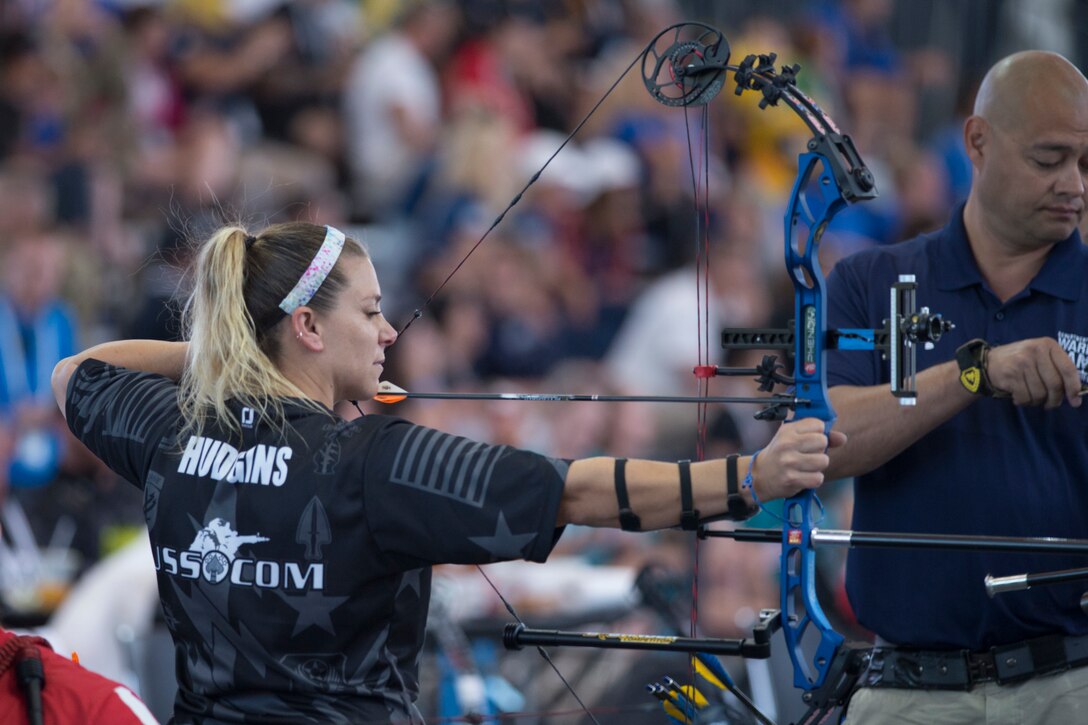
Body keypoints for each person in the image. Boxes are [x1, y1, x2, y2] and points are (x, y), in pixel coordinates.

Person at [50, 221, 844, 723]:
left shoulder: (172, 430)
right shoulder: (376, 461)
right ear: (307, 327)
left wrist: (229, 357)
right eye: (368, 311)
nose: (389, 330)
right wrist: (753, 478)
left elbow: (74, 372)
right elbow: (578, 488)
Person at [825, 50, 1088, 724]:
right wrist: (977, 371)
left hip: (1072, 681)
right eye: (1049, 158)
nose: (1075, 185)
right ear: (977, 141)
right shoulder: (873, 282)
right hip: (909, 687)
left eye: (1086, 164)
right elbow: (831, 437)